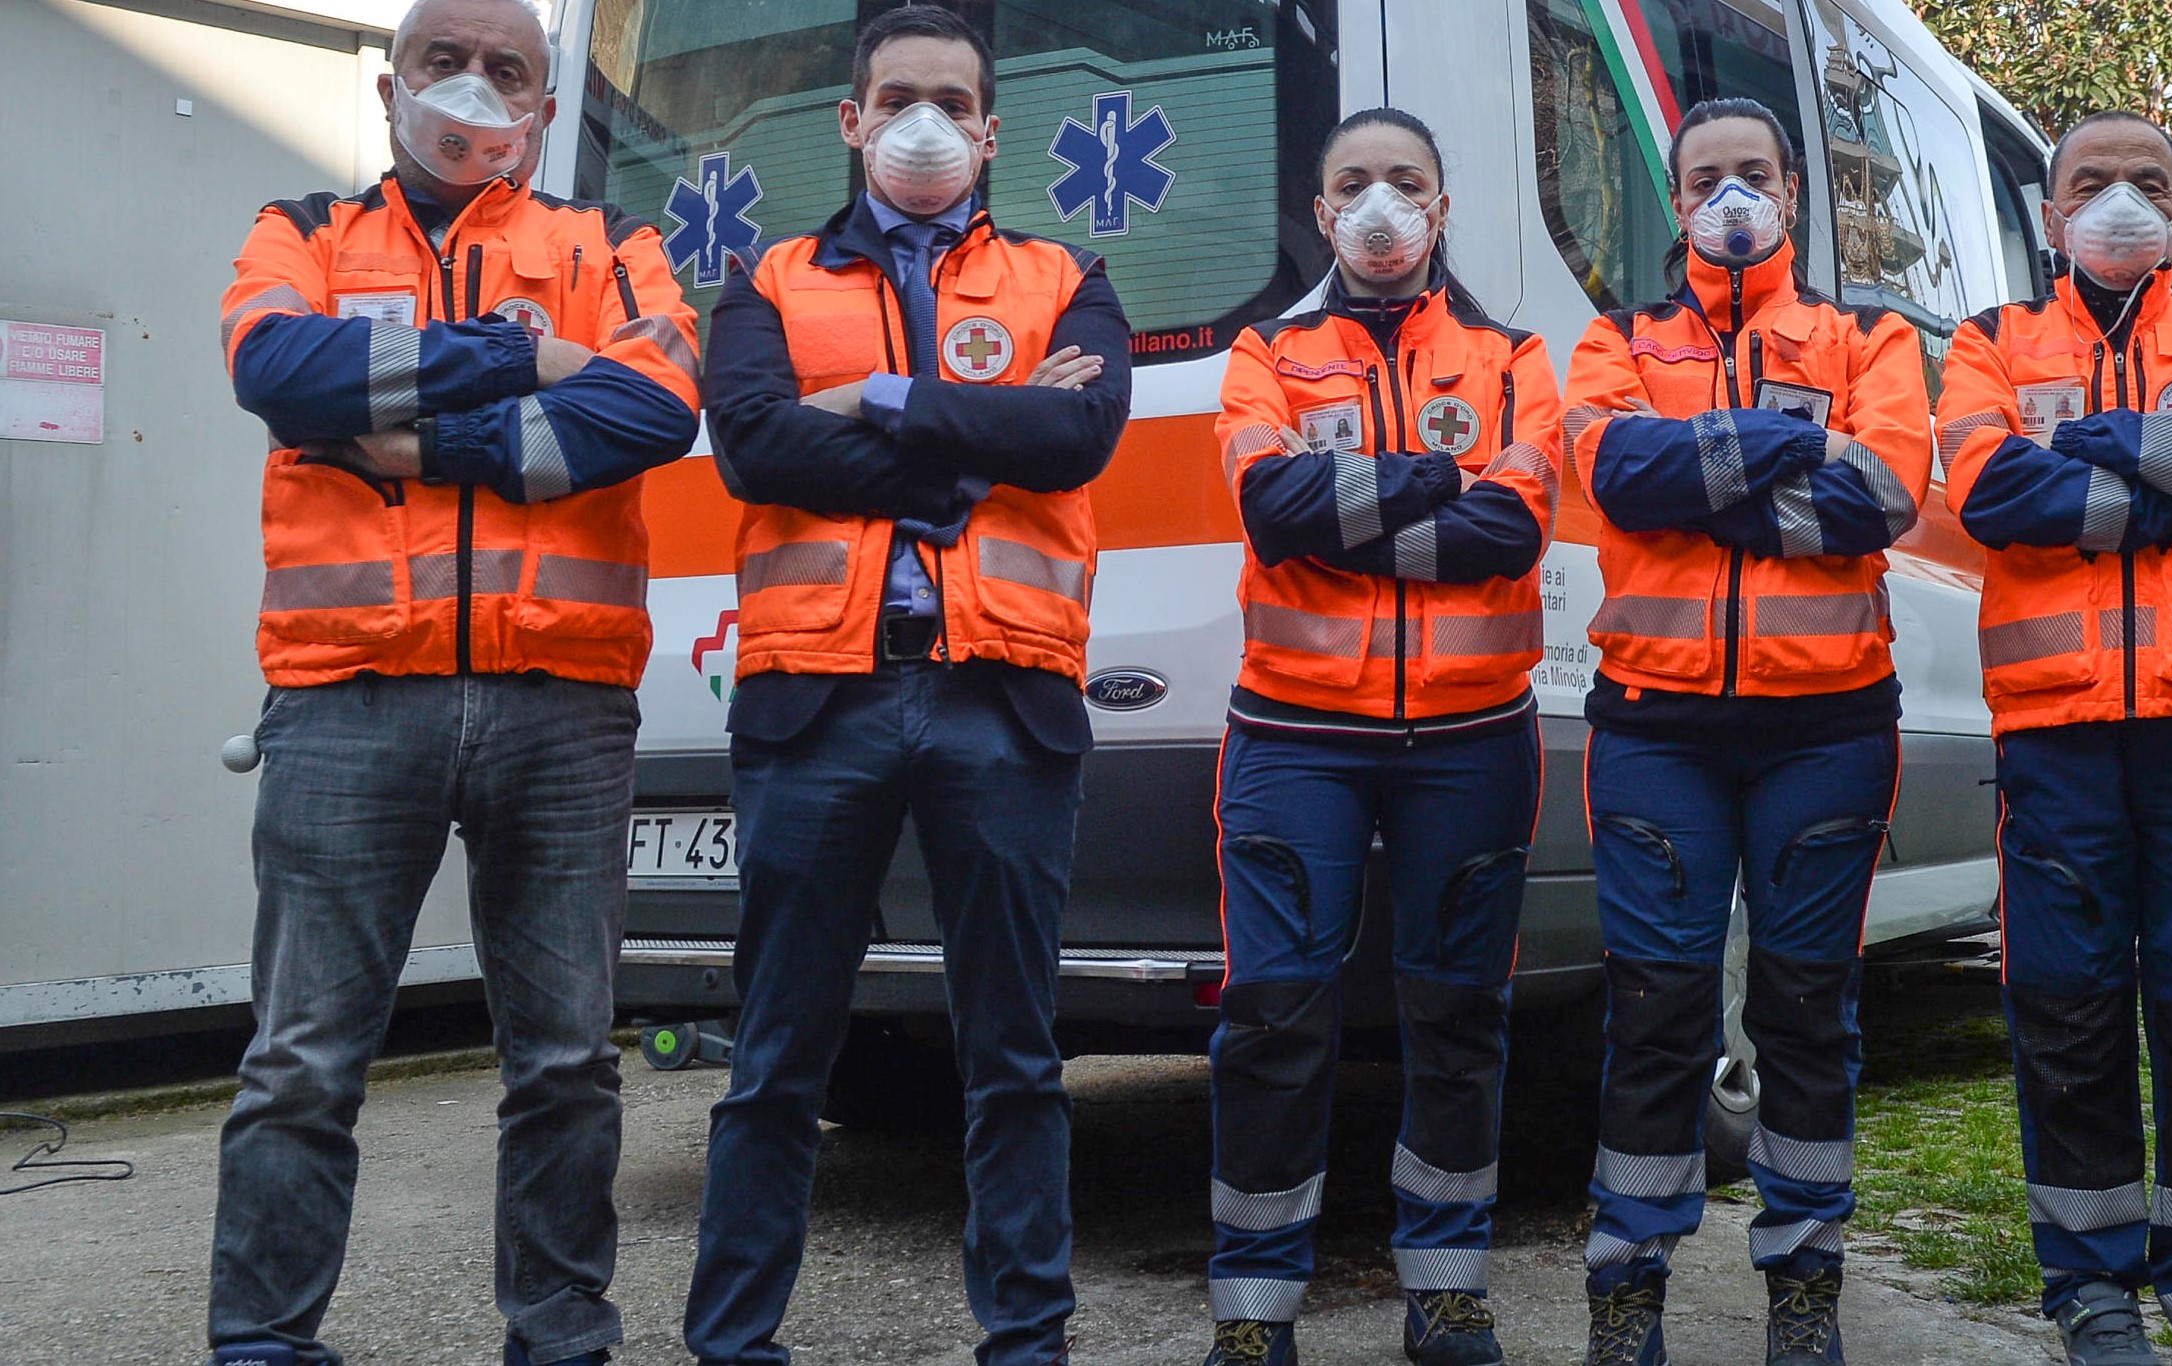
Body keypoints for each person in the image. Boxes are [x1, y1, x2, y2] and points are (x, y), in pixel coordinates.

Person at [207, 0, 703, 1359]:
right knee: (301, 1061)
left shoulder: (610, 242)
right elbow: (275, 367)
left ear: (547, 109)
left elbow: (655, 407)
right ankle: (261, 1343)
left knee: (565, 1062)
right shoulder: (301, 231)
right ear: (390, 84)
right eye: (447, 61)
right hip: (348, 696)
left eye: (508, 71)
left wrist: (406, 435)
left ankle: (559, 1338)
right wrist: (518, 360)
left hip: (564, 703)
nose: (475, 89)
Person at [678, 6, 1129, 1364]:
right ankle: (735, 1341)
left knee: (1015, 1055)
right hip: (821, 700)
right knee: (774, 1060)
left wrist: (869, 403)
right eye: (899, 96)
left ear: (993, 131)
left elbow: (1084, 428)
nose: (925, 121)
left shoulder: (1066, 270)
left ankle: (1027, 1340)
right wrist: (980, 439)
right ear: (852, 120)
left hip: (1005, 700)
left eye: (953, 100)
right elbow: (755, 451)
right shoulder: (766, 282)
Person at [1936, 110, 2172, 1366]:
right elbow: (1989, 490)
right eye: (2088, 182)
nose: (2117, 202)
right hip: (2055, 738)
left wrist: (2095, 445)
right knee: (2067, 1012)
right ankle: (2090, 1287)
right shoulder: (1988, 340)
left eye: (2145, 182)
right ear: (2047, 215)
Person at [1561, 96, 1930, 1366]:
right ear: (1676, 202)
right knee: (1657, 1003)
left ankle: (1804, 1279)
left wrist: (1695, 480)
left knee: (1804, 1004)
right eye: (1705, 176)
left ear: (1790, 192)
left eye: (1753, 174)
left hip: (1825, 722)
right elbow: (1612, 474)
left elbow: (1880, 493)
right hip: (1657, 719)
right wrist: (1788, 444)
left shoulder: (1869, 335)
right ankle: (1627, 1281)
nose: (1731, 195)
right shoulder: (1612, 339)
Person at [1198, 107, 1565, 1366]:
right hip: (1293, 734)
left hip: (1470, 737)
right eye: (1352, 183)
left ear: (1441, 207)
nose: (1378, 205)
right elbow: (1268, 506)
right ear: (1319, 212)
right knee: (1273, 1014)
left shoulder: (1516, 357)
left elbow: (1510, 533)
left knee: (1458, 1013)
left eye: (1403, 182)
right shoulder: (1260, 352)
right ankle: (1253, 1310)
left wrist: (1346, 515)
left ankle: (1447, 1289)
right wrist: (1430, 480)